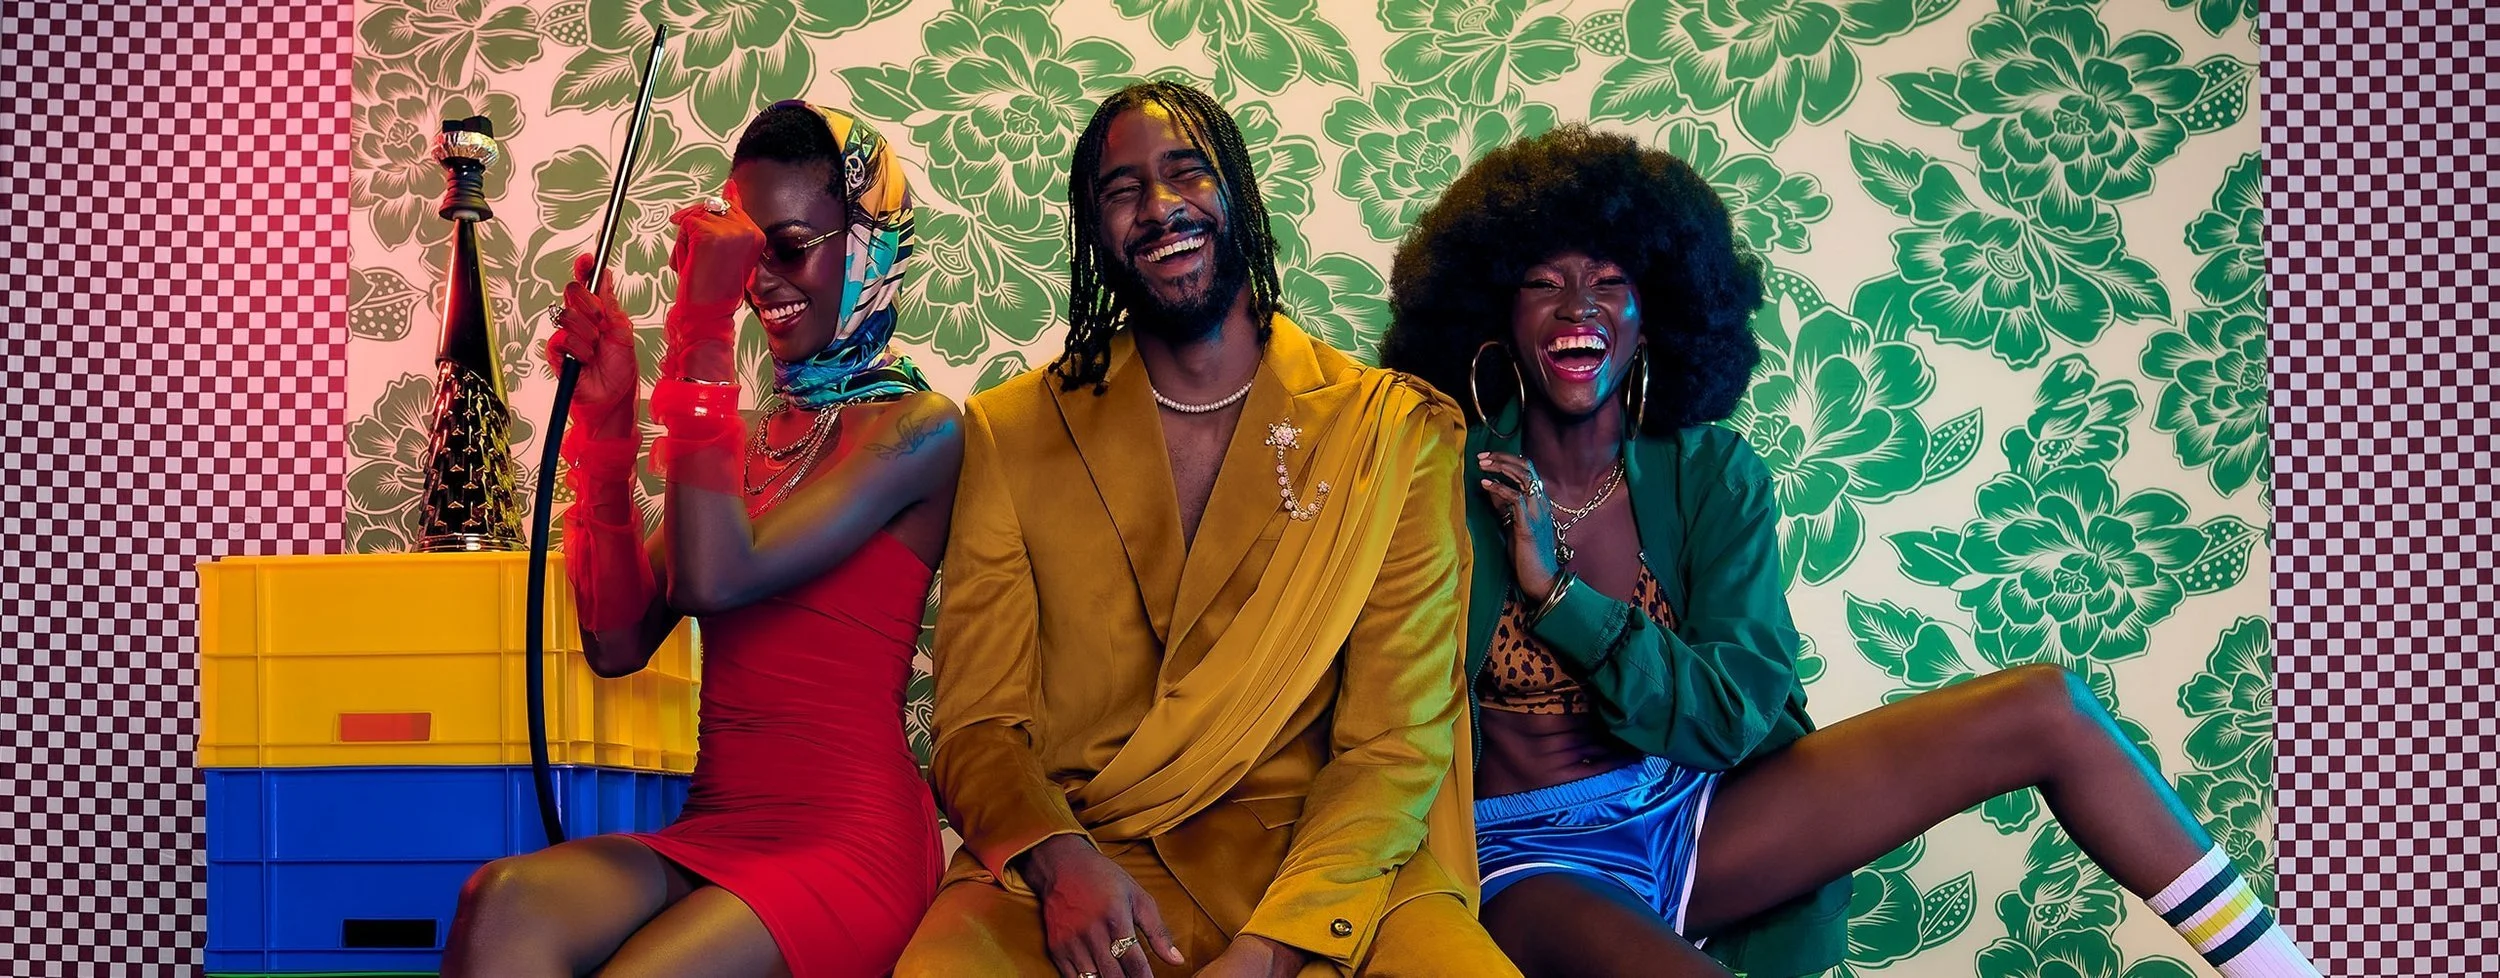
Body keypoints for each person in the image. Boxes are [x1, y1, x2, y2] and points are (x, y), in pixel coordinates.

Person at [1377, 124, 2321, 978]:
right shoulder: (1437, 477)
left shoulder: (1710, 474)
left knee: (2046, 705)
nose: (1579, 305)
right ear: (1495, 317)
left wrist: (1562, 597)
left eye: (1612, 284)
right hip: (1527, 855)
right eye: (1544, 282)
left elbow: (1734, 718)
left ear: (1654, 316)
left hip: (1698, 819)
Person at [893, 81, 1515, 978]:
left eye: (1187, 174)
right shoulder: (1012, 429)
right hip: (1093, 853)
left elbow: (1393, 742)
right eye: (1121, 191)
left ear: (1240, 200)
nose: (1159, 208)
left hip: (1322, 866)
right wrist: (1063, 862)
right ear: (1095, 233)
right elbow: (979, 726)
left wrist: (1270, 953)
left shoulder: (1386, 433)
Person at [440, 101, 960, 978]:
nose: (762, 279)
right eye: (747, 253)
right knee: (501, 905)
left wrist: (702, 333)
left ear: (868, 243)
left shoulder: (916, 430)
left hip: (849, 845)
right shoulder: (745, 438)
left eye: (788, 245)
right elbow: (615, 640)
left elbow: (717, 579)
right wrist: (609, 429)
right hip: (719, 826)